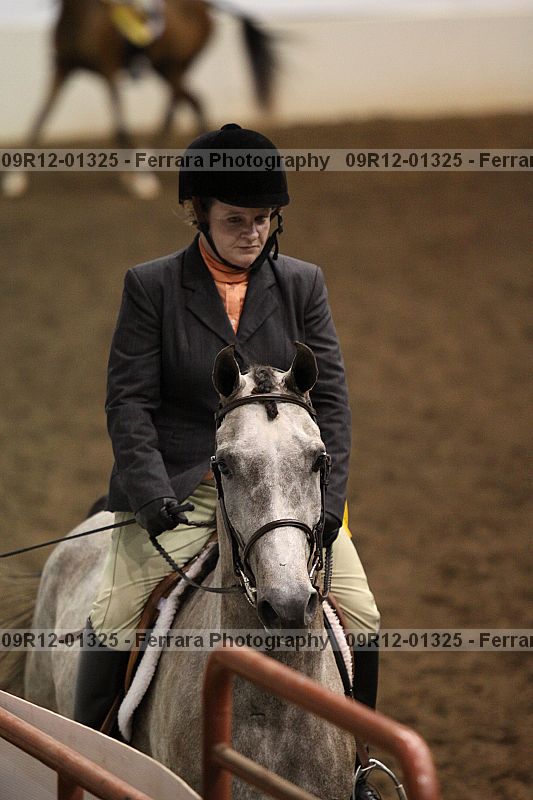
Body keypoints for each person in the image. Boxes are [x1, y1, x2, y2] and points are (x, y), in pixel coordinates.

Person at [74, 123, 381, 799]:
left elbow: (331, 402)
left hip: (282, 489)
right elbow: (128, 401)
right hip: (179, 488)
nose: (252, 233)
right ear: (199, 213)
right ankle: (91, 765)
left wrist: (327, 507)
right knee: (113, 614)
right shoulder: (151, 286)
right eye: (235, 220)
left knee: (361, 614)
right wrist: (150, 493)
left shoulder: (303, 284)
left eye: (263, 220)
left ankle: (359, 766)